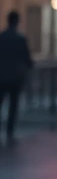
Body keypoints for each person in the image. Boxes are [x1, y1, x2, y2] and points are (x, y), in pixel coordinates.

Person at [0, 11, 33, 143]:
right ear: (17, 22)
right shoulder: (20, 39)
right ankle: (10, 131)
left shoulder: (1, 37)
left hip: (1, 75)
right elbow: (27, 59)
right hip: (15, 76)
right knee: (13, 105)